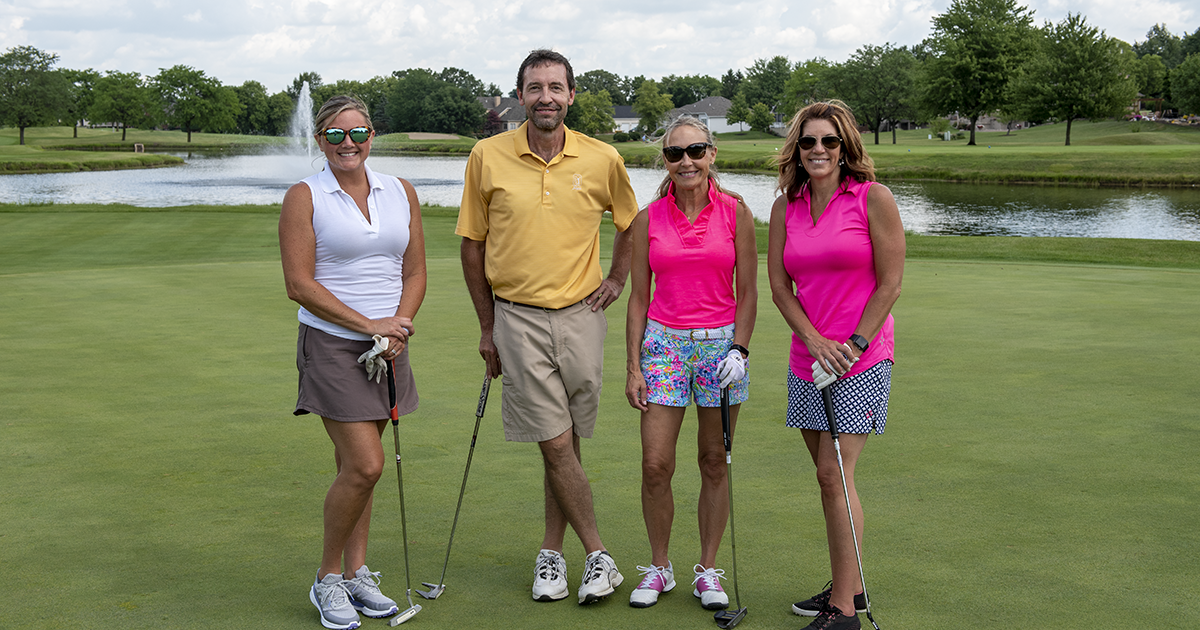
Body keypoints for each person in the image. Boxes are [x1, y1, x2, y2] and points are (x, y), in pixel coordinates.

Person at [456, 49, 639, 605]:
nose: (545, 98)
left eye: (555, 88)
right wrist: (487, 330)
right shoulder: (487, 155)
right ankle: (599, 555)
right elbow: (472, 246)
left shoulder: (603, 157)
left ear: (571, 95)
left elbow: (631, 222)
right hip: (517, 316)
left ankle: (551, 557)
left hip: (583, 315)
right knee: (556, 442)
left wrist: (617, 279)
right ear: (519, 95)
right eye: (534, 88)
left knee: (566, 443)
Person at [280, 95, 427, 630]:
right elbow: (299, 284)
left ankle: (358, 573)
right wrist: (371, 326)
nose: (349, 144)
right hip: (334, 345)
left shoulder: (400, 190)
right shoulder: (305, 195)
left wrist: (399, 326)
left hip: (389, 346)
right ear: (320, 140)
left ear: (372, 136)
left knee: (357, 472)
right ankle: (327, 580)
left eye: (359, 133)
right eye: (337, 135)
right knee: (366, 465)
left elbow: (414, 272)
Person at [767, 100, 904, 630]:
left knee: (834, 473)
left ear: (845, 147)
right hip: (809, 358)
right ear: (796, 151)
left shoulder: (874, 198)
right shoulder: (786, 205)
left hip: (861, 358)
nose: (818, 150)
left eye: (829, 141)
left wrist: (854, 342)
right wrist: (813, 339)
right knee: (830, 479)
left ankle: (843, 611)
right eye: (808, 142)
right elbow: (780, 287)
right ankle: (852, 586)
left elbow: (890, 283)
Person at [623, 116, 757, 610]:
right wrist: (633, 366)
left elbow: (748, 294)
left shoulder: (737, 213)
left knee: (713, 462)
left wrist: (740, 350)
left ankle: (707, 570)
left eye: (696, 151)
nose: (686, 161)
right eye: (676, 153)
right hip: (663, 345)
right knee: (655, 464)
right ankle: (659, 567)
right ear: (666, 160)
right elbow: (639, 298)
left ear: (712, 154)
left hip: (722, 348)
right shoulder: (648, 217)